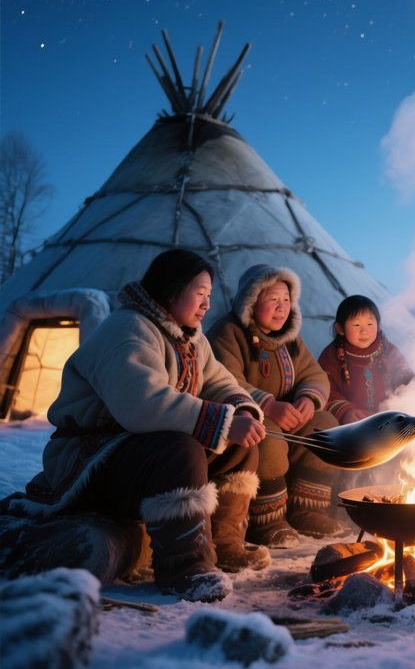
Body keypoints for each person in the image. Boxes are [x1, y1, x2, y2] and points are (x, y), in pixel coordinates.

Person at [3, 249, 271, 602]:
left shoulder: (190, 337)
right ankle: (185, 567)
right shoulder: (127, 329)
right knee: (180, 450)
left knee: (238, 445)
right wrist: (221, 422)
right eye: (199, 293)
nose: (207, 303)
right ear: (171, 291)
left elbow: (218, 382)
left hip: (134, 451)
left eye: (209, 295)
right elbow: (141, 403)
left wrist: (241, 411)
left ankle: (224, 545)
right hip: (91, 457)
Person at [207, 264, 346, 548]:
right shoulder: (228, 333)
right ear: (251, 301)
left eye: (286, 299)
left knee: (325, 425)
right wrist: (268, 406)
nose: (282, 307)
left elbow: (314, 373)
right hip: (245, 419)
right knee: (266, 433)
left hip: (288, 417)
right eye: (273, 299)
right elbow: (224, 380)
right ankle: (267, 520)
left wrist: (307, 400)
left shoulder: (289, 338)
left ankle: (308, 510)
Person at [317, 294, 415, 425]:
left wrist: (409, 400)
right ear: (340, 329)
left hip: (390, 422)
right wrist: (345, 412)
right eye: (357, 325)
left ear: (378, 325)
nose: (364, 331)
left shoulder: (389, 350)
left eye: (370, 324)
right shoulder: (331, 357)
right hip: (353, 425)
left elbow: (407, 378)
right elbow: (324, 389)